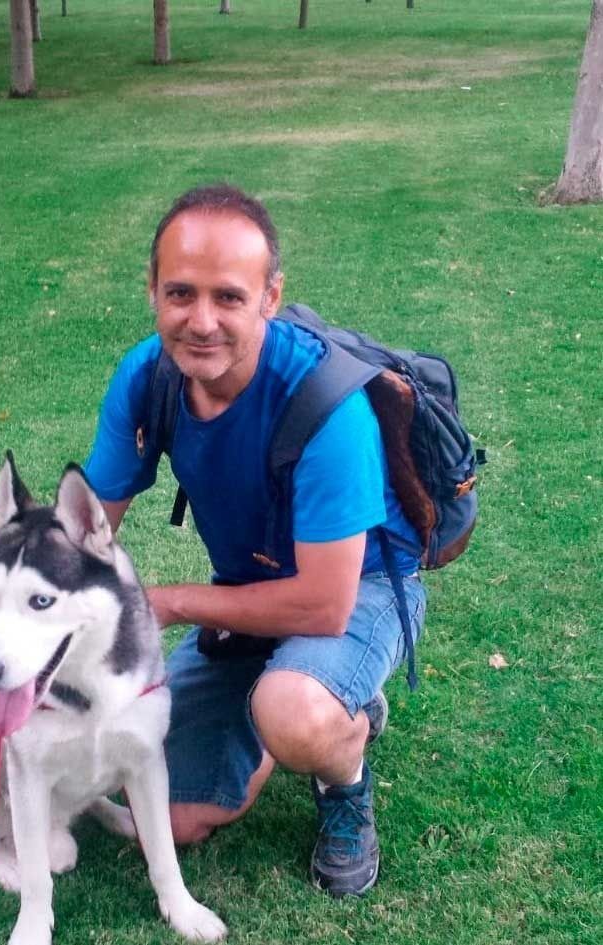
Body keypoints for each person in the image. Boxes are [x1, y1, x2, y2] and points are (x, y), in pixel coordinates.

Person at [83, 184, 427, 897]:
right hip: (246, 591)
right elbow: (85, 537)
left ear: (271, 297)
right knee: (169, 816)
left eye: (229, 297)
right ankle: (309, 698)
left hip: (359, 592)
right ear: (151, 289)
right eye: (180, 293)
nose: (201, 321)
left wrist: (173, 602)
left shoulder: (328, 408)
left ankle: (342, 760)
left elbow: (324, 607)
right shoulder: (146, 378)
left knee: (295, 710)